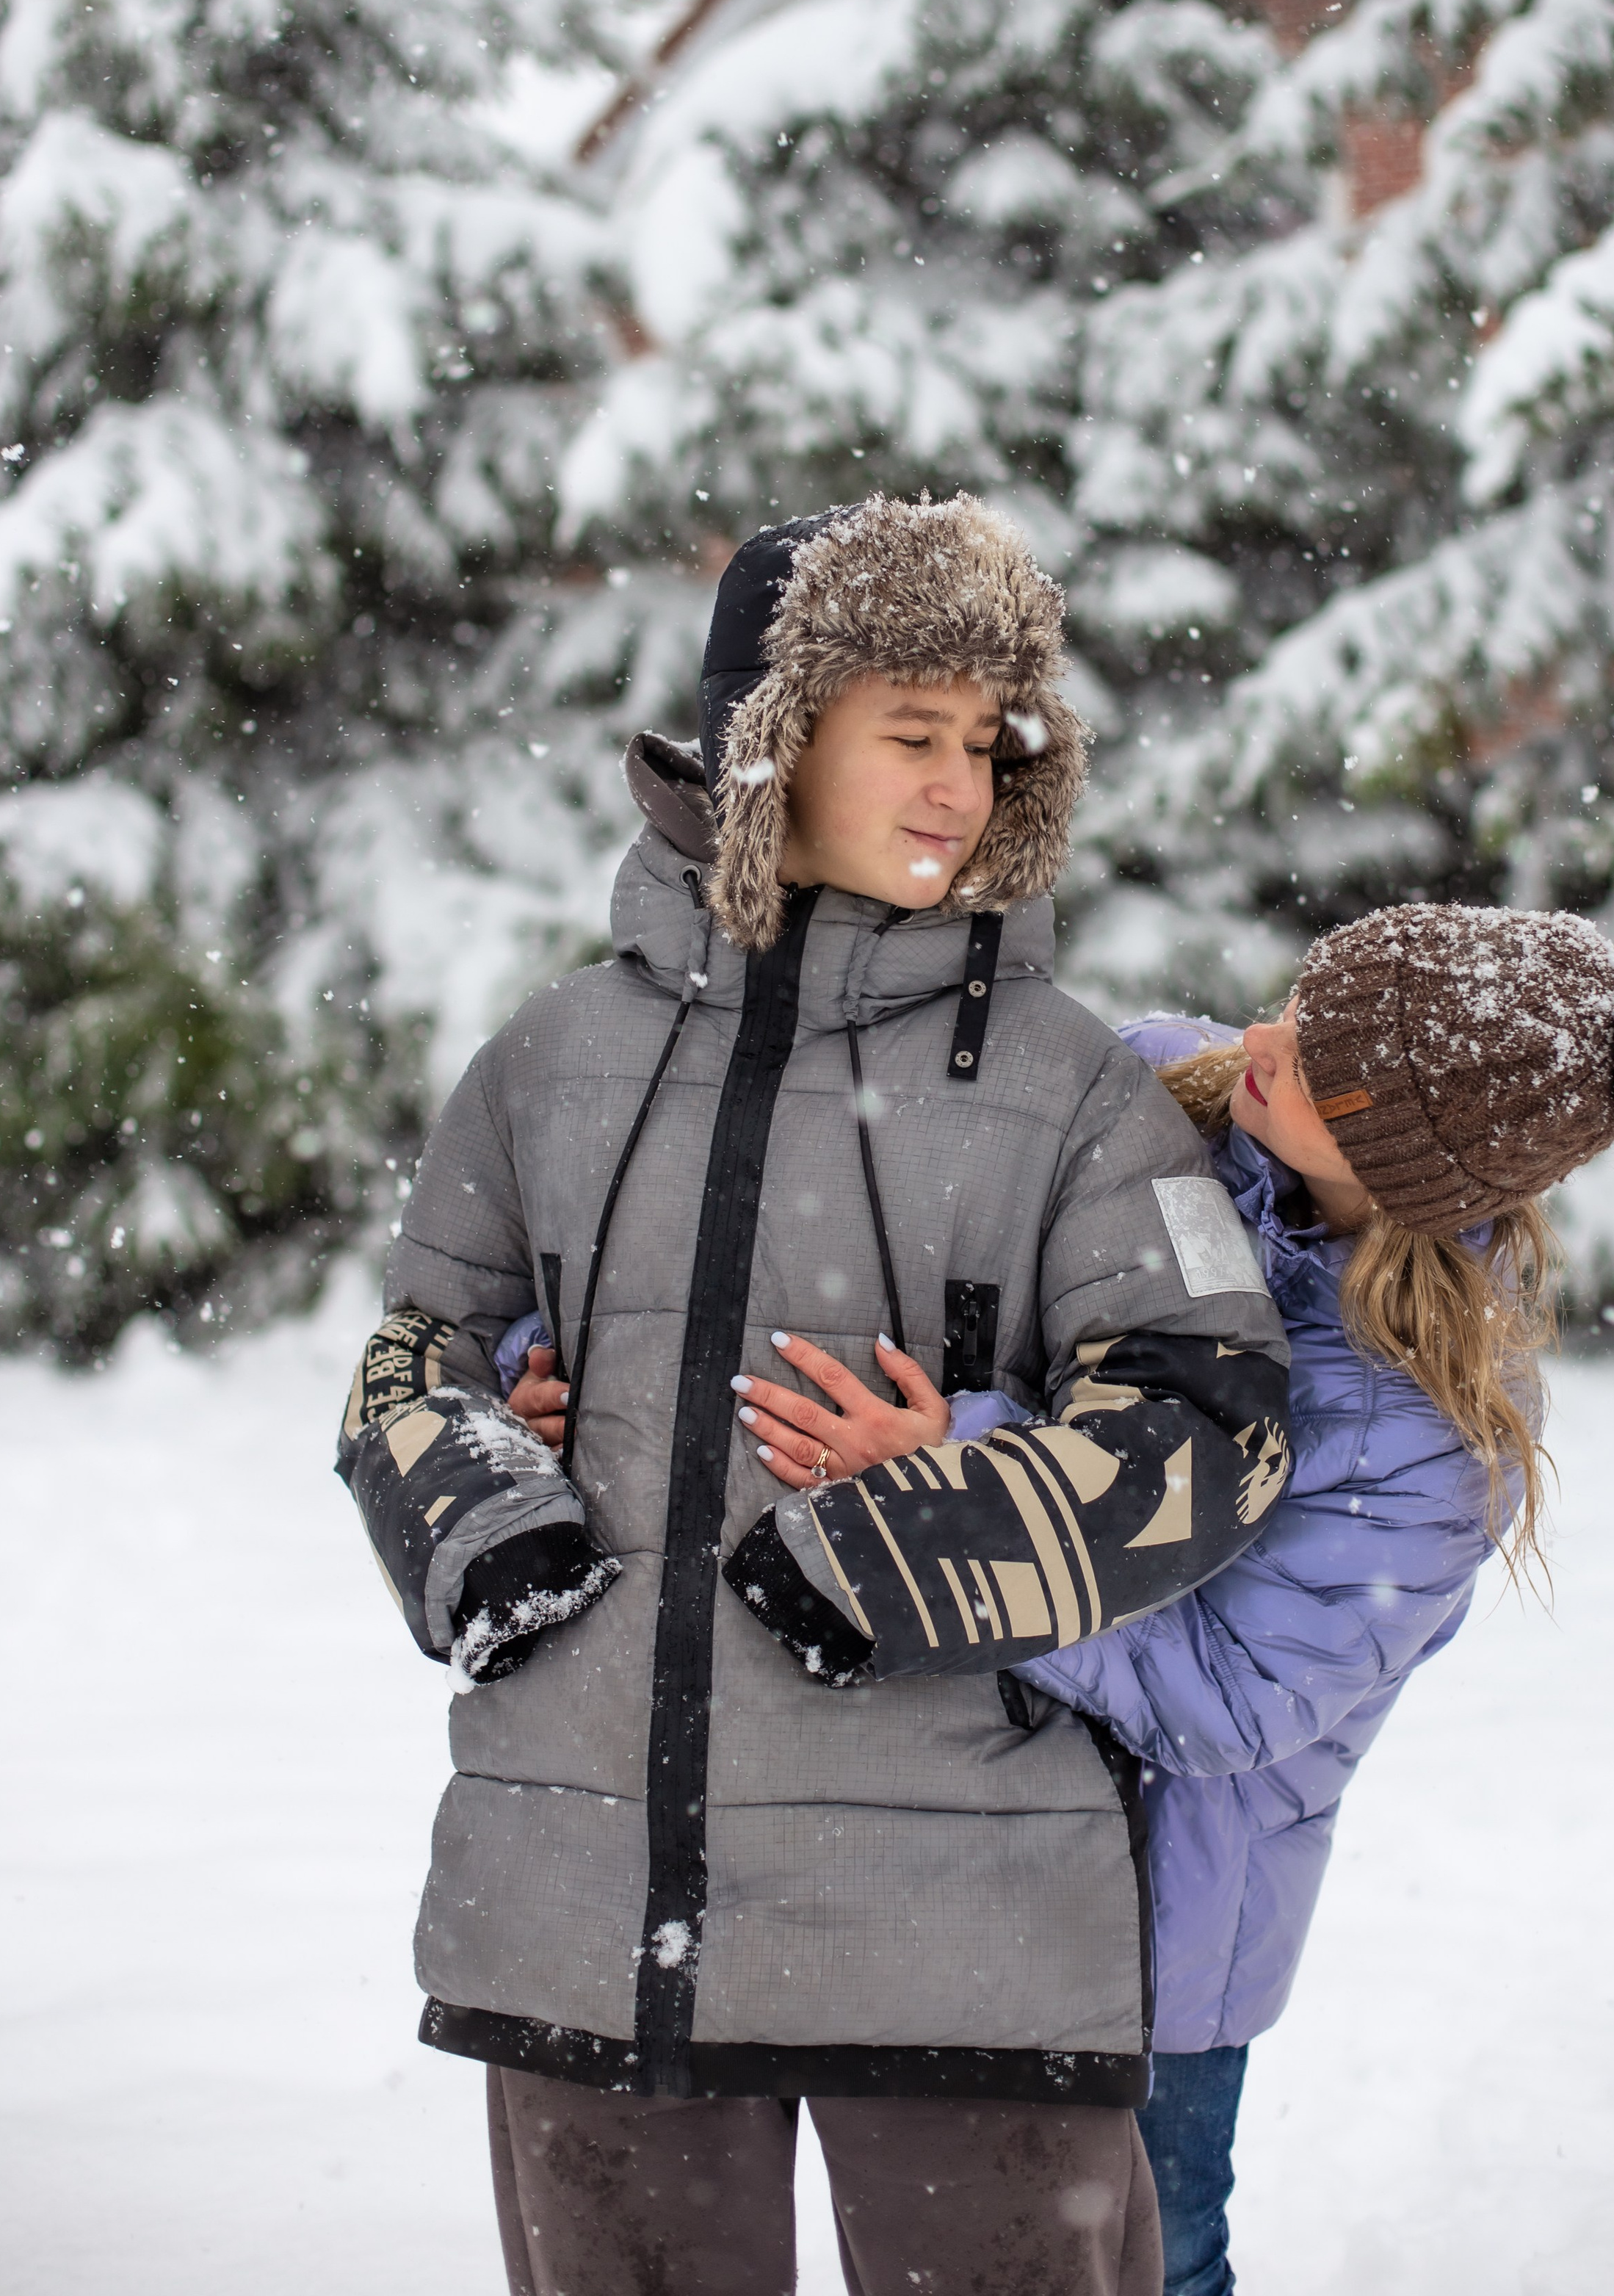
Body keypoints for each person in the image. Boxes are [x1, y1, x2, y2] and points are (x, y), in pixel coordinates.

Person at [335, 492, 1295, 2296]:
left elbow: (1210, 1425)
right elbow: (414, 1354)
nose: (957, 785)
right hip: (580, 1892)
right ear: (770, 746)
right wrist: (491, 1527)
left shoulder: (1068, 1085)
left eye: (984, 743)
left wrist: (889, 1555)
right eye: (908, 736)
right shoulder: (551, 1061)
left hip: (966, 1915)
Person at [738, 902, 1614, 2296]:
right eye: (1301, 1000)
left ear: (1408, 1165)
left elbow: (1230, 1700)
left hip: (1164, 1939)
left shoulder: (1421, 1434)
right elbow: (859, 1212)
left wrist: (970, 1476)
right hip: (966, 1828)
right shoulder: (1177, 1098)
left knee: (1152, 2264)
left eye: (1327, 1063)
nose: (1267, 1041)